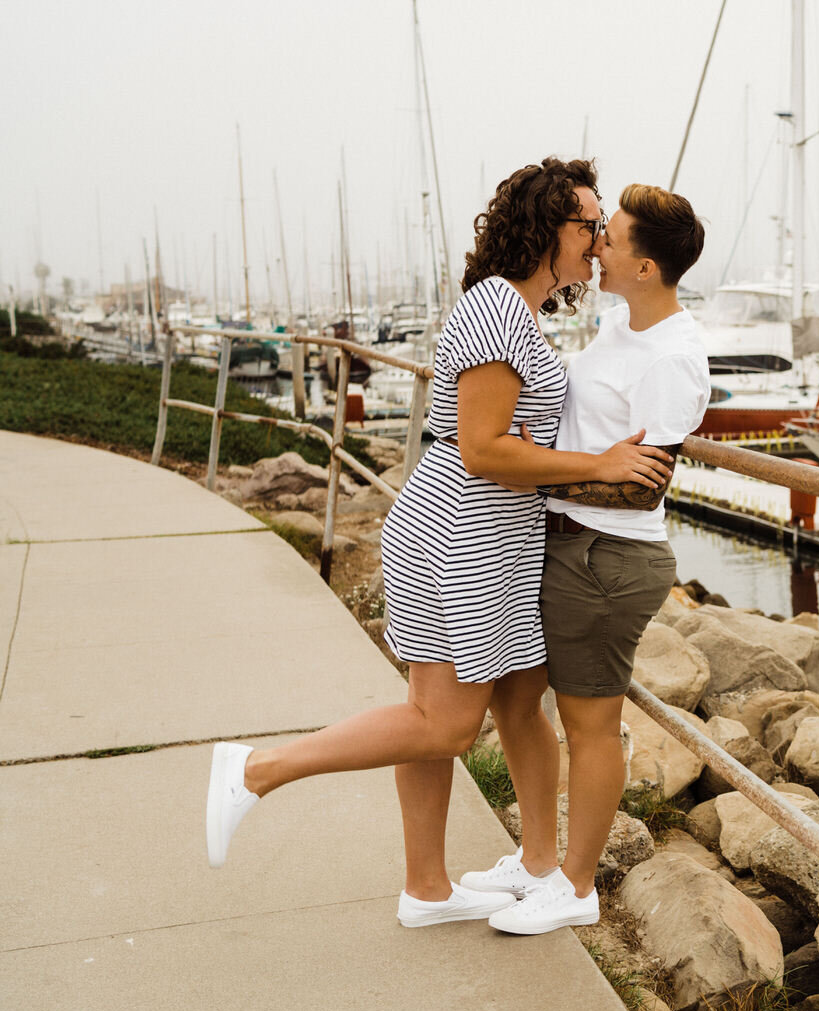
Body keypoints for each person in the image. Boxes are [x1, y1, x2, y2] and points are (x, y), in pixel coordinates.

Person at [204, 159, 677, 929]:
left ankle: (436, 886)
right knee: (446, 723)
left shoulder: (520, 313)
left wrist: (553, 446)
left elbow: (503, 433)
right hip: (461, 535)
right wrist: (599, 462)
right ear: (546, 228)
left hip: (500, 535)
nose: (597, 242)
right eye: (588, 224)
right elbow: (484, 450)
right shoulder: (496, 310)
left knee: (499, 703)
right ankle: (256, 771)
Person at [456, 184, 711, 935]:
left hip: (607, 556)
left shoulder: (674, 358)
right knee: (515, 698)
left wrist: (531, 466)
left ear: (646, 268)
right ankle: (538, 861)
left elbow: (639, 486)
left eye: (615, 237)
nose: (599, 244)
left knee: (591, 725)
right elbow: (601, 454)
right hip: (561, 540)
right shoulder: (617, 322)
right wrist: (568, 467)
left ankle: (575, 885)